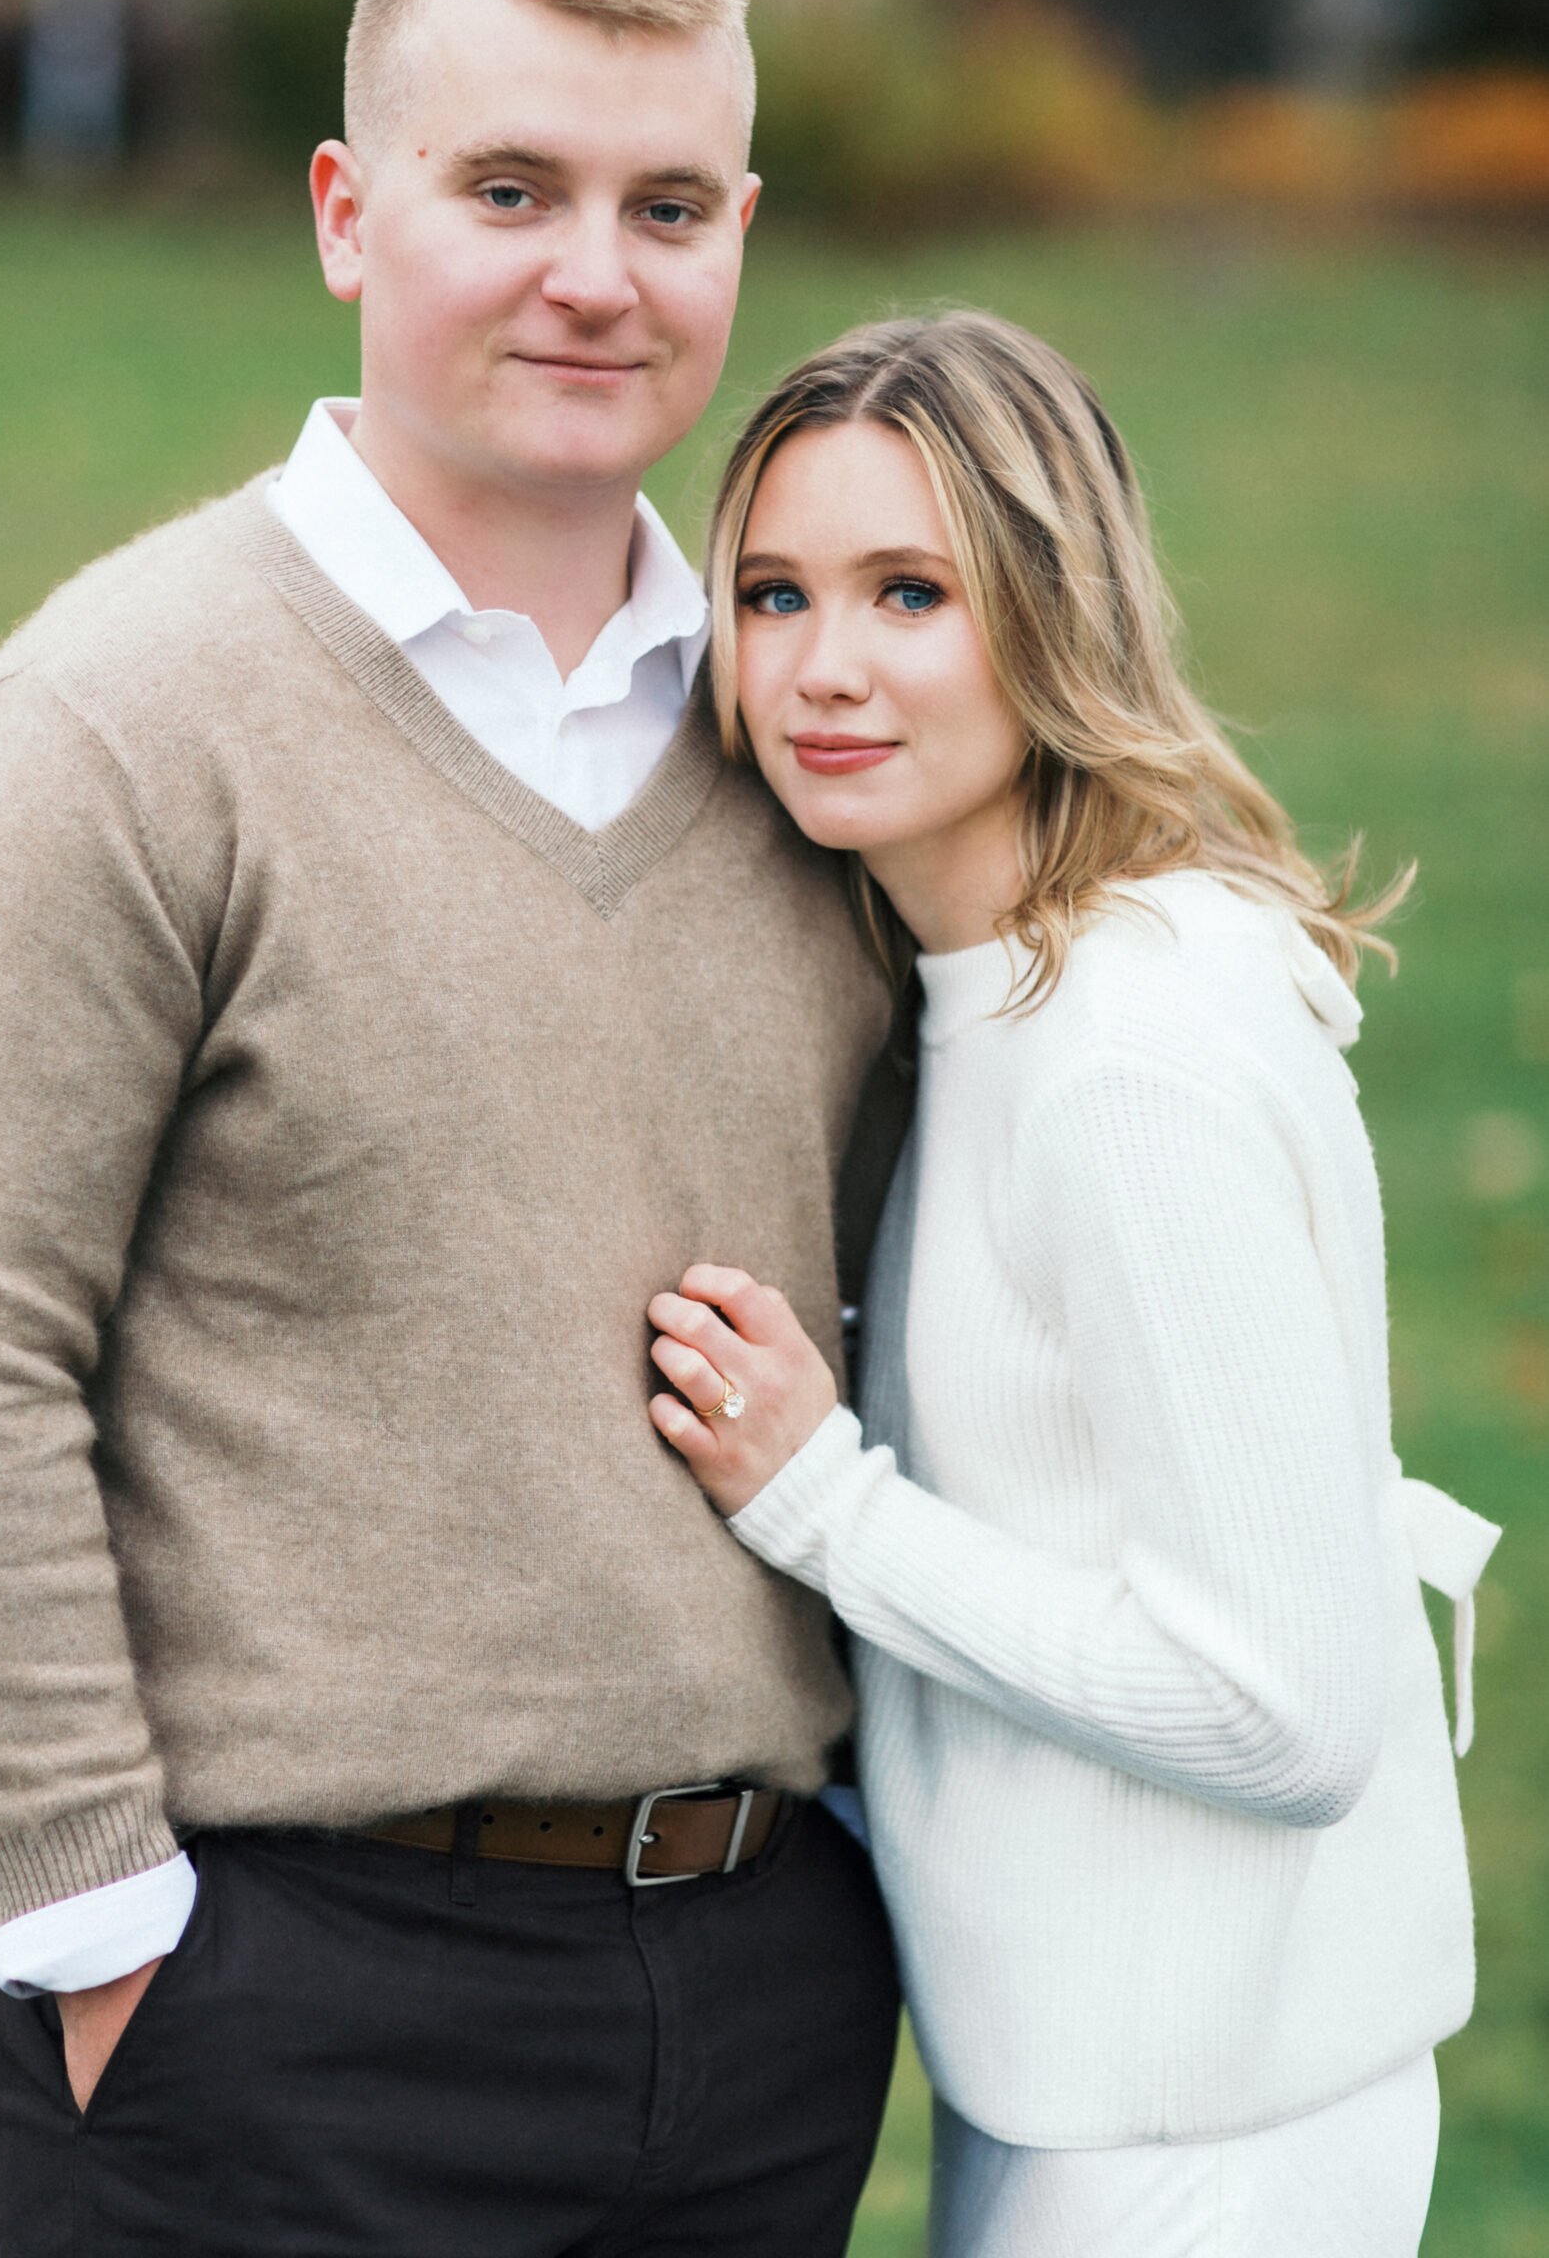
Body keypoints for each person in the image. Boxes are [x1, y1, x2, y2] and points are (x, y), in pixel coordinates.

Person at [0, 0, 904, 2258]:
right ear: (345, 212)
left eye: (665, 203)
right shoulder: (121, 718)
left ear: (739, 231)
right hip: (266, 2002)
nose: (594, 271)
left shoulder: (816, 749)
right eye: (509, 190)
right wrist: (98, 1920)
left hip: (759, 1990)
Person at [645, 312, 1500, 2258]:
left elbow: (1286, 1711)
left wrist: (821, 1498)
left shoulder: (1128, 1058)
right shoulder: (994, 986)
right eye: (773, 591)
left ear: (1053, 611)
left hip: (1211, 2126)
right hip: (1093, 2078)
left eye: (910, 591)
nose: (822, 666)